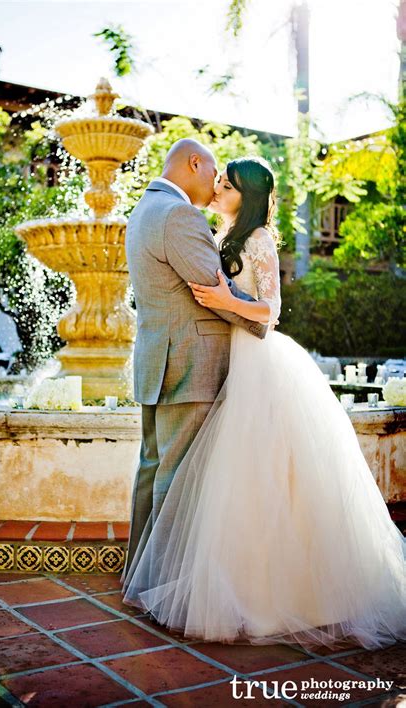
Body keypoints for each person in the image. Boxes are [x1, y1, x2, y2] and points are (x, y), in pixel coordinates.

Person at [122, 156, 406, 650]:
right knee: (234, 481)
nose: (216, 189)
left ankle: (285, 590)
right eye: (218, 182)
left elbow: (269, 312)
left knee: (269, 477)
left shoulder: (258, 240)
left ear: (247, 196)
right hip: (231, 365)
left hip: (258, 362)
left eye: (226, 186)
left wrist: (227, 302)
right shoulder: (214, 232)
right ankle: (227, 579)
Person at [122, 140, 267, 580]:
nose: (215, 183)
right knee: (178, 481)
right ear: (193, 163)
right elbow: (211, 289)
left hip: (159, 363)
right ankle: (164, 587)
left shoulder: (143, 210)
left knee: (153, 473)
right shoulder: (178, 215)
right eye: (213, 172)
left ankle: (139, 574)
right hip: (189, 366)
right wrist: (263, 324)